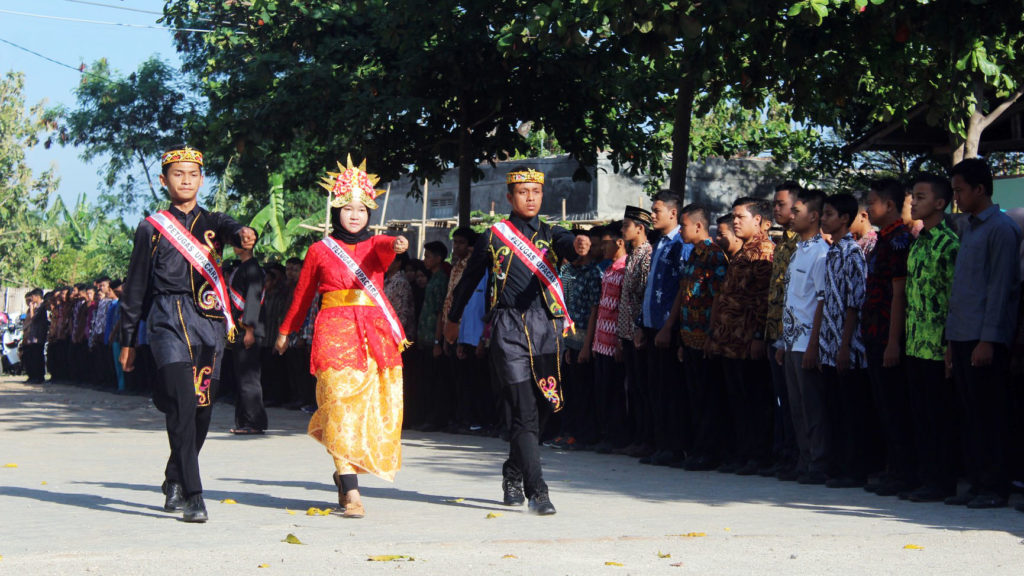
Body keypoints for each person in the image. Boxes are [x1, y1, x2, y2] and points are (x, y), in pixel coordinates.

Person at [119, 146, 257, 523]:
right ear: (164, 181)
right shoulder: (152, 227)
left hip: (209, 322)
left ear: (201, 179)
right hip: (166, 320)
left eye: (193, 174)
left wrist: (245, 233)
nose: (185, 180)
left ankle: (174, 478)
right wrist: (128, 340)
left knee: (201, 410)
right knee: (181, 402)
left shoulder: (213, 221)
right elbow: (134, 289)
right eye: (177, 174)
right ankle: (195, 495)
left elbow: (234, 229)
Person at [275, 157, 410, 519]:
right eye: (347, 208)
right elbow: (303, 294)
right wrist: (286, 329)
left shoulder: (376, 248)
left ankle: (345, 471)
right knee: (338, 405)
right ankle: (351, 491)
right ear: (336, 210)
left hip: (372, 332)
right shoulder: (320, 250)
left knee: (365, 408)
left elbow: (384, 246)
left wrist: (396, 243)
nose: (354, 215)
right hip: (334, 330)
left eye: (362, 208)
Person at [445, 165, 576, 515]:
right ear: (509, 197)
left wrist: (578, 244)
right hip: (507, 327)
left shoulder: (552, 232)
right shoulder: (494, 236)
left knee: (544, 408)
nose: (530, 197)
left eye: (535, 191)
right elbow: (469, 279)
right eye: (522, 192)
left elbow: (569, 245)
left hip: (546, 328)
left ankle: (513, 472)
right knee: (523, 410)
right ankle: (539, 490)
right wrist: (453, 319)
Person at [944, 158, 1021, 509]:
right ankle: (977, 482)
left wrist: (988, 339)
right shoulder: (970, 228)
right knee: (970, 413)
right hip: (962, 335)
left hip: (983, 338)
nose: (956, 197)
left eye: (960, 190)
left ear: (979, 189)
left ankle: (995, 485)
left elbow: (1000, 288)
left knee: (990, 414)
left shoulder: (1000, 229)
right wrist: (950, 339)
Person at [707, 197, 775, 475]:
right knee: (736, 399)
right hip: (729, 340)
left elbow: (763, 298)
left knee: (754, 399)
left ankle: (758, 454)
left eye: (740, 217)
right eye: (733, 217)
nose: (735, 221)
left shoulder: (764, 251)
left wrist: (759, 335)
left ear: (757, 219)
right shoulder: (742, 252)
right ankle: (742, 451)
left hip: (748, 341)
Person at [903, 173, 959, 502]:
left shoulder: (949, 245)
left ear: (940, 203)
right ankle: (926, 477)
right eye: (912, 196)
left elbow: (955, 298)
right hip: (914, 344)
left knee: (941, 417)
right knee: (920, 415)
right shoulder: (919, 242)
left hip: (938, 347)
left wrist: (951, 346)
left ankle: (943, 480)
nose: (913, 201)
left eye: (921, 197)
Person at [861, 178, 917, 497]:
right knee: (883, 407)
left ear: (890, 205)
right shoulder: (883, 239)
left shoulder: (899, 240)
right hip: (873, 333)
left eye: (873, 202)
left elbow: (899, 294)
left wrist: (894, 342)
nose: (868, 209)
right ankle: (892, 468)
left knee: (896, 407)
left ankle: (903, 472)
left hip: (887, 336)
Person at [816, 193, 870, 489]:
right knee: (834, 408)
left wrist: (845, 345)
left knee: (851, 411)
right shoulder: (832, 252)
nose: (824, 219)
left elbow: (855, 302)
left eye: (829, 214)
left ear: (845, 220)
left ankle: (855, 468)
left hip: (848, 346)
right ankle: (836, 465)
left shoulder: (853, 252)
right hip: (828, 344)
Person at [778, 189, 830, 485]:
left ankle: (818, 462)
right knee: (796, 406)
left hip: (807, 342)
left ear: (814, 216)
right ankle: (804, 458)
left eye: (797, 211)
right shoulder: (799, 248)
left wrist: (813, 345)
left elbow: (821, 301)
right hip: (791, 341)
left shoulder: (821, 252)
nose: (792, 215)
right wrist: (783, 342)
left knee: (812, 406)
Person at [641, 190, 693, 467]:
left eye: (657, 210)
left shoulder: (679, 245)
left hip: (667, 329)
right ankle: (660, 444)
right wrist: (642, 323)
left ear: (673, 213)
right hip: (651, 325)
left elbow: (682, 289)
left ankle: (674, 446)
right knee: (656, 389)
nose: (652, 215)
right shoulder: (658, 243)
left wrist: (667, 327)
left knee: (671, 390)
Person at [674, 204, 728, 471]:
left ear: (698, 226)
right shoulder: (694, 254)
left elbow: (718, 295)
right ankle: (697, 448)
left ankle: (711, 451)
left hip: (705, 336)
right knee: (694, 396)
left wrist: (710, 334)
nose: (681, 229)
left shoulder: (714, 255)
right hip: (689, 336)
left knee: (708, 397)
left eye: (683, 225)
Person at [765, 182, 801, 479]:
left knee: (795, 402)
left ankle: (798, 456)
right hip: (775, 332)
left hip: (794, 337)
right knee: (782, 400)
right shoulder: (783, 243)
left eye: (781, 204)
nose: (776, 209)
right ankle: (785, 453)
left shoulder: (804, 244)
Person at [585, 223, 629, 453]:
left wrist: (620, 341)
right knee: (603, 390)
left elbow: (624, 307)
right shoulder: (610, 268)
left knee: (614, 392)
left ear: (619, 242)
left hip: (614, 342)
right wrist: (594, 342)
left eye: (605, 243)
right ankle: (607, 434)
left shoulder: (624, 269)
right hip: (601, 341)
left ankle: (618, 436)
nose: (602, 248)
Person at [556, 229, 602, 450]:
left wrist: (586, 345)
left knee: (583, 389)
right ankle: (568, 431)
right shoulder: (567, 271)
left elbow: (595, 309)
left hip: (585, 337)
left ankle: (584, 435)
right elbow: (565, 306)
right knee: (569, 388)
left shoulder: (594, 272)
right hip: (569, 338)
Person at [616, 207, 654, 457]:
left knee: (643, 388)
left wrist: (638, 327)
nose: (622, 230)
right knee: (633, 388)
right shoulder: (632, 255)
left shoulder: (647, 254)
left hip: (639, 331)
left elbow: (642, 294)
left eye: (626, 225)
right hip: (627, 332)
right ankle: (638, 436)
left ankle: (648, 438)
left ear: (640, 228)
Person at [229, 244, 268, 435]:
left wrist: (250, 330)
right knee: (242, 377)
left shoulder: (252, 269)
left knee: (249, 378)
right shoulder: (242, 268)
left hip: (248, 329)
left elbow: (253, 300)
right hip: (240, 329)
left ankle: (254, 421)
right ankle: (244, 420)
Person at [417, 241, 451, 431]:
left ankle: (436, 418)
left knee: (435, 380)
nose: (425, 260)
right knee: (427, 379)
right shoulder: (432, 278)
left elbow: (440, 312)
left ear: (439, 258)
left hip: (434, 337)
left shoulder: (440, 281)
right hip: (426, 335)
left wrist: (438, 341)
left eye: (429, 256)